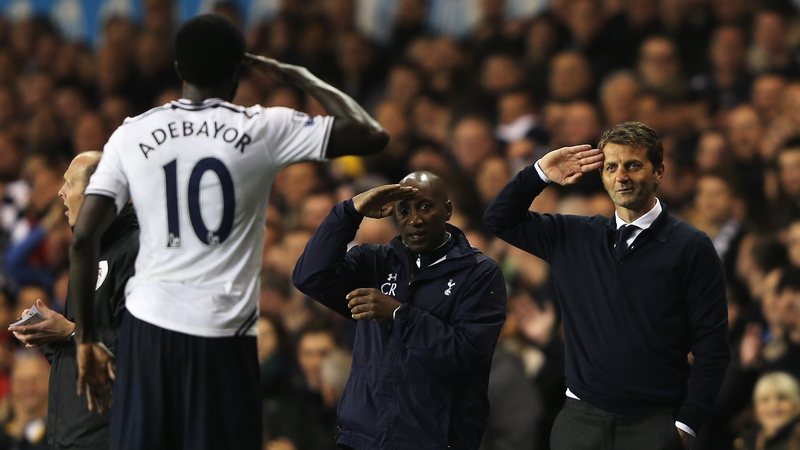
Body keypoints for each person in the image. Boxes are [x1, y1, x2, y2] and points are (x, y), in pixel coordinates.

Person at [68, 14, 388, 450]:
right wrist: (302, 76)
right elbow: (372, 134)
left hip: (148, 328)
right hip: (223, 333)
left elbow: (85, 237)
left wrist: (86, 337)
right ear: (238, 71)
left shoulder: (132, 133)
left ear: (179, 68)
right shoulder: (263, 127)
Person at [484, 121, 730, 450]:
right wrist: (540, 172)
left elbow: (712, 347)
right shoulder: (572, 236)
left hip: (654, 423)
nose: (621, 176)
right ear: (602, 176)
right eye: (611, 167)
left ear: (659, 172)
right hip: (578, 424)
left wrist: (687, 425)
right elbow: (499, 218)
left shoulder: (692, 247)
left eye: (633, 165)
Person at [293, 171, 507, 449]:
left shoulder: (479, 274)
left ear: (448, 210)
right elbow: (309, 277)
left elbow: (465, 356)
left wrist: (398, 314)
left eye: (425, 206)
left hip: (434, 440)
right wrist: (350, 211)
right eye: (403, 210)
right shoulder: (372, 262)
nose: (414, 219)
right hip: (362, 437)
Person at [10, 151, 139, 450]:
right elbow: (81, 351)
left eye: (70, 183)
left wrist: (69, 331)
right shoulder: (88, 252)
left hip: (109, 436)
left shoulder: (135, 251)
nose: (61, 192)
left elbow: (138, 346)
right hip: (71, 436)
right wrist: (52, 337)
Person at [734, 372, 800, 450]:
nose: (773, 405)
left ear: (796, 403)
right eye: (765, 399)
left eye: (782, 398)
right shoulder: (746, 441)